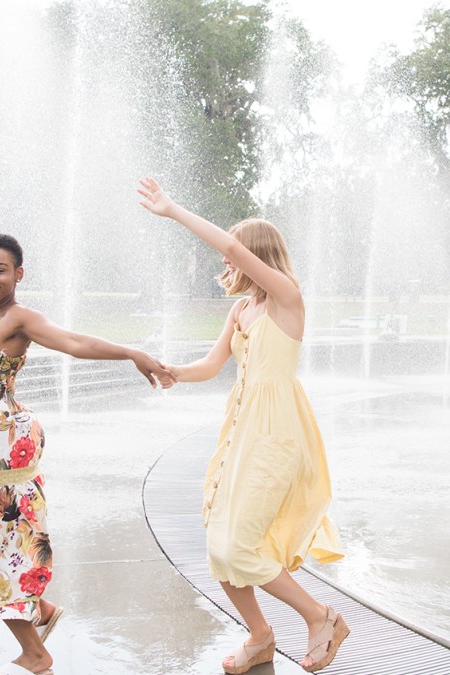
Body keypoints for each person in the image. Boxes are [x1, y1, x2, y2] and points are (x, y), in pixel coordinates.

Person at [0, 152, 174, 675]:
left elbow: (74, 342)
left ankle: (35, 652)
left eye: (0, 270)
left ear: (19, 274)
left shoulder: (17, 318)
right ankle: (41, 612)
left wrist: (133, 352)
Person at [136, 177, 348, 674]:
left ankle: (321, 618)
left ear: (255, 255)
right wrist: (172, 372)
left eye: (235, 256)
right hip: (240, 432)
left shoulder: (285, 298)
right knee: (219, 543)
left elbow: (229, 243)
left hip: (276, 435)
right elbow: (212, 366)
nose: (225, 262)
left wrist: (174, 210)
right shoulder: (242, 308)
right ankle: (260, 636)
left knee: (240, 545)